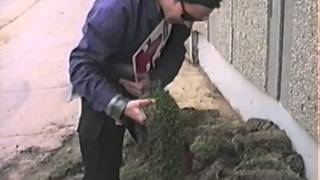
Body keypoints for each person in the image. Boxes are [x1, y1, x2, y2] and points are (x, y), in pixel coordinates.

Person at [69, 0, 222, 179]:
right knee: (102, 170)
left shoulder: (182, 13)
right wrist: (120, 105)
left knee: (172, 151)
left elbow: (175, 50)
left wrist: (155, 79)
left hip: (142, 90)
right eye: (186, 17)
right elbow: (81, 67)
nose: (187, 25)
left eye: (196, 20)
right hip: (103, 92)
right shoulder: (114, 9)